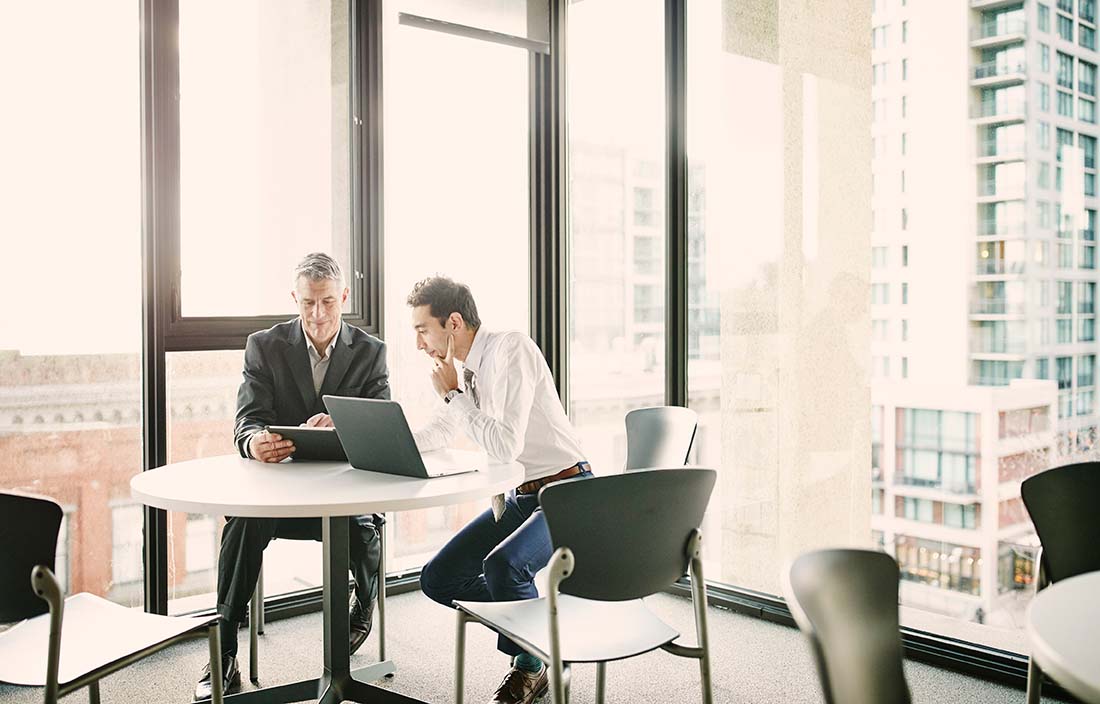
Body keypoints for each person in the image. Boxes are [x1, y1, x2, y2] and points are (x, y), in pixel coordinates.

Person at [194, 252, 390, 701]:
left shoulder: (371, 353)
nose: (317, 315)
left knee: (363, 527)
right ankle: (223, 647)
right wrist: (253, 443)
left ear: (343, 297)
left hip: (345, 495)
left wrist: (343, 426)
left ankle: (363, 602)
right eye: (307, 304)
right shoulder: (264, 345)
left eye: (326, 303)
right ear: (294, 300)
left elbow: (382, 430)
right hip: (279, 498)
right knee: (241, 524)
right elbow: (246, 421)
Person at [408, 275, 591, 704]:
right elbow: (440, 429)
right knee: (438, 578)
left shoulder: (512, 349)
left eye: (422, 330)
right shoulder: (465, 371)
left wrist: (455, 394)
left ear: (452, 323)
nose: (419, 344)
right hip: (520, 496)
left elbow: (506, 444)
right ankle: (542, 629)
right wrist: (388, 441)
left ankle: (531, 664)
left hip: (568, 491)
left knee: (504, 567)